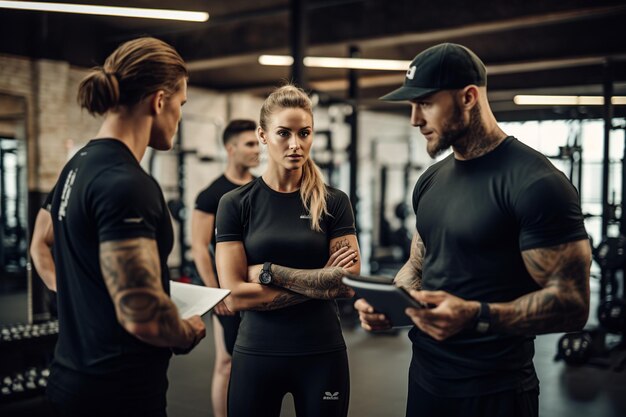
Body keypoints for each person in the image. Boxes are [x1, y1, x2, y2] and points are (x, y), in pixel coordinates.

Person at [354, 43, 591, 417]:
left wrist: (478, 314)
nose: (415, 119)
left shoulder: (536, 183)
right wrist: (393, 304)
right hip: (426, 378)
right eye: (411, 106)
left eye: (426, 103)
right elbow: (419, 265)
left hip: (495, 389)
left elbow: (573, 304)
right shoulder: (431, 180)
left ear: (468, 97)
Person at [46, 37, 206, 417]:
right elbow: (143, 315)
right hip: (117, 395)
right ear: (159, 101)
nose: (180, 118)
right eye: (181, 105)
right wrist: (188, 332)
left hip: (71, 379)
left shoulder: (77, 166)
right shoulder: (126, 184)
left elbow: (44, 243)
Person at [215, 84, 361, 417]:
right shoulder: (235, 204)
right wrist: (323, 282)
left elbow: (349, 282)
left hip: (321, 353)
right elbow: (234, 295)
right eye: (284, 133)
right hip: (256, 352)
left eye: (304, 133)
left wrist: (270, 273)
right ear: (263, 135)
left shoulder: (334, 203)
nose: (296, 144)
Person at [191, 119, 260, 417]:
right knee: (227, 361)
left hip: (259, 288)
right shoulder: (211, 195)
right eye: (249, 144)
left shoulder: (263, 188)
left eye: (258, 143)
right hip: (228, 292)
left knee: (258, 363)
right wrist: (215, 293)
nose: (257, 149)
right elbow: (198, 246)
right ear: (230, 149)